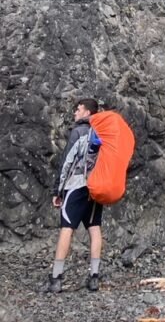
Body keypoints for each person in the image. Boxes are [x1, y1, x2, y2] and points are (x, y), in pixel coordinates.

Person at [47, 98, 103, 293]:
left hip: (77, 185)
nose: (75, 113)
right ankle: (94, 277)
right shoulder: (103, 132)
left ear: (87, 113)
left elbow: (67, 162)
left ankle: (56, 278)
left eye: (78, 110)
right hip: (96, 187)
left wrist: (57, 190)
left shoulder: (79, 131)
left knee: (67, 228)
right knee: (94, 228)